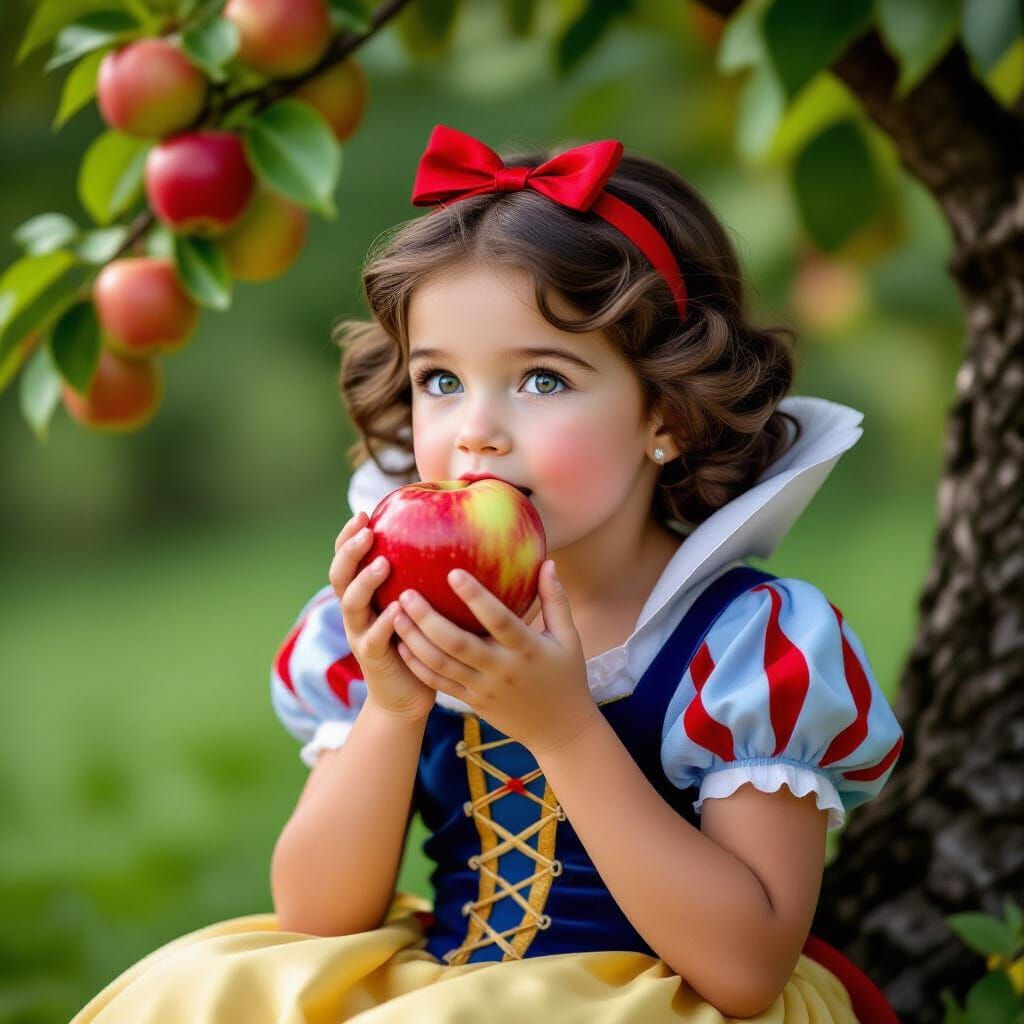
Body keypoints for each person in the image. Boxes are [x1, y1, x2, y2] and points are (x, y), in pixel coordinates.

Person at [72, 124, 905, 1023]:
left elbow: (747, 968)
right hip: (449, 983)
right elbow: (316, 916)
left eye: (542, 380)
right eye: (439, 381)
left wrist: (567, 731)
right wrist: (393, 711)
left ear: (665, 412)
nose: (476, 429)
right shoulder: (397, 619)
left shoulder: (747, 647)